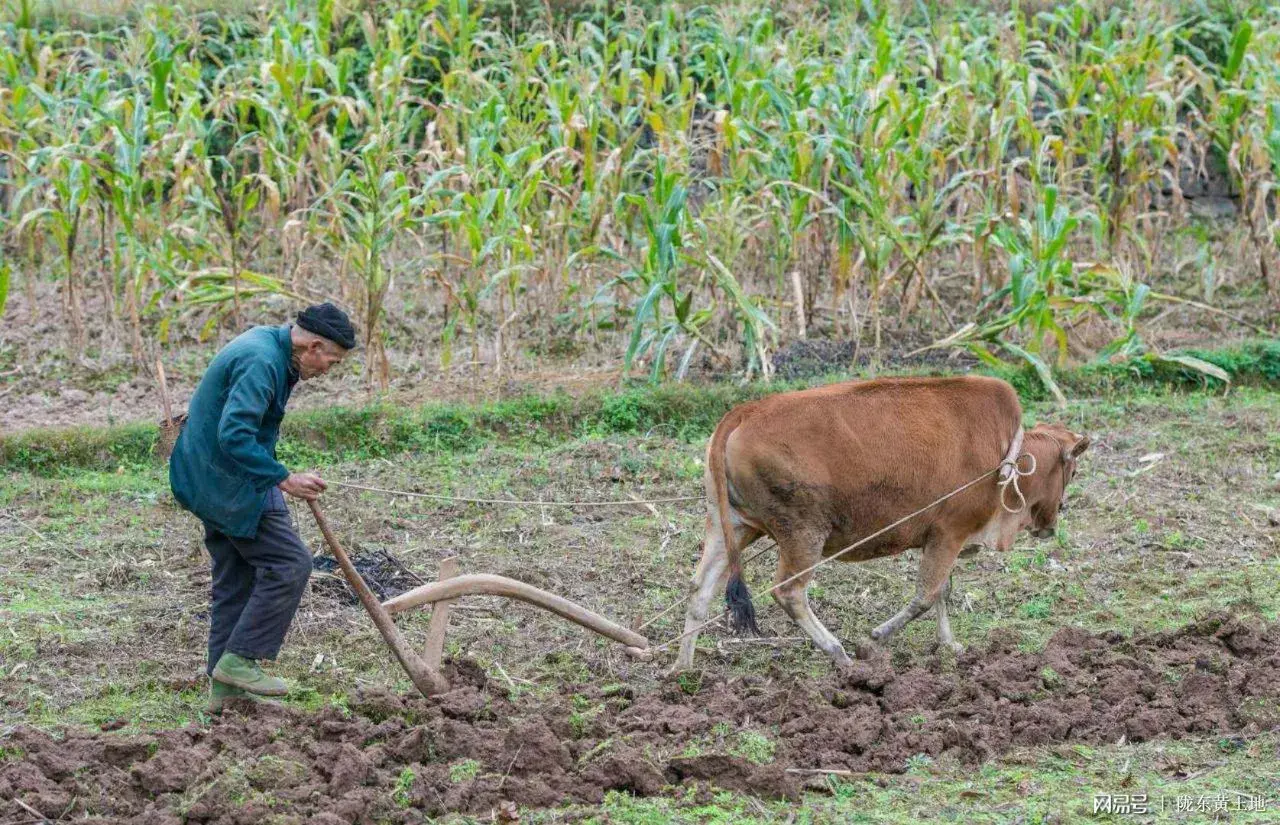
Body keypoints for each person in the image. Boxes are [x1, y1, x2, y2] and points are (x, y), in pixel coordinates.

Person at [169, 303, 356, 712]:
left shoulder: (273, 350)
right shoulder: (261, 360)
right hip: (227, 481)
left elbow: (247, 430)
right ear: (314, 345)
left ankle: (224, 693)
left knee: (236, 579)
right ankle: (241, 661)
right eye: (332, 360)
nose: (329, 369)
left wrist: (273, 472)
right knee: (291, 564)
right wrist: (282, 477)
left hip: (209, 475)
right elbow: (235, 434)